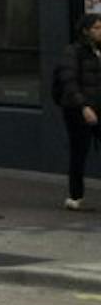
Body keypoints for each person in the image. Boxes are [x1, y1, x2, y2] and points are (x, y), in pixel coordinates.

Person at [52, 13, 101, 211]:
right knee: (79, 152)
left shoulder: (98, 52)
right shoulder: (73, 52)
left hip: (99, 108)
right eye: (97, 28)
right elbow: (69, 82)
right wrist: (83, 107)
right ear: (85, 31)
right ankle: (75, 195)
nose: (100, 31)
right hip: (78, 111)